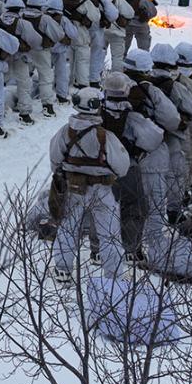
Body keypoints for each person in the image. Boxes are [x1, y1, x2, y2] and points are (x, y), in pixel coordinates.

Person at [47, 88, 130, 281]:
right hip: (101, 190)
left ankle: (63, 270)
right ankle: (114, 275)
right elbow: (122, 166)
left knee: (68, 228)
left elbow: (55, 159)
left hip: (73, 188)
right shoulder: (105, 136)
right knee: (109, 233)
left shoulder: (65, 132)